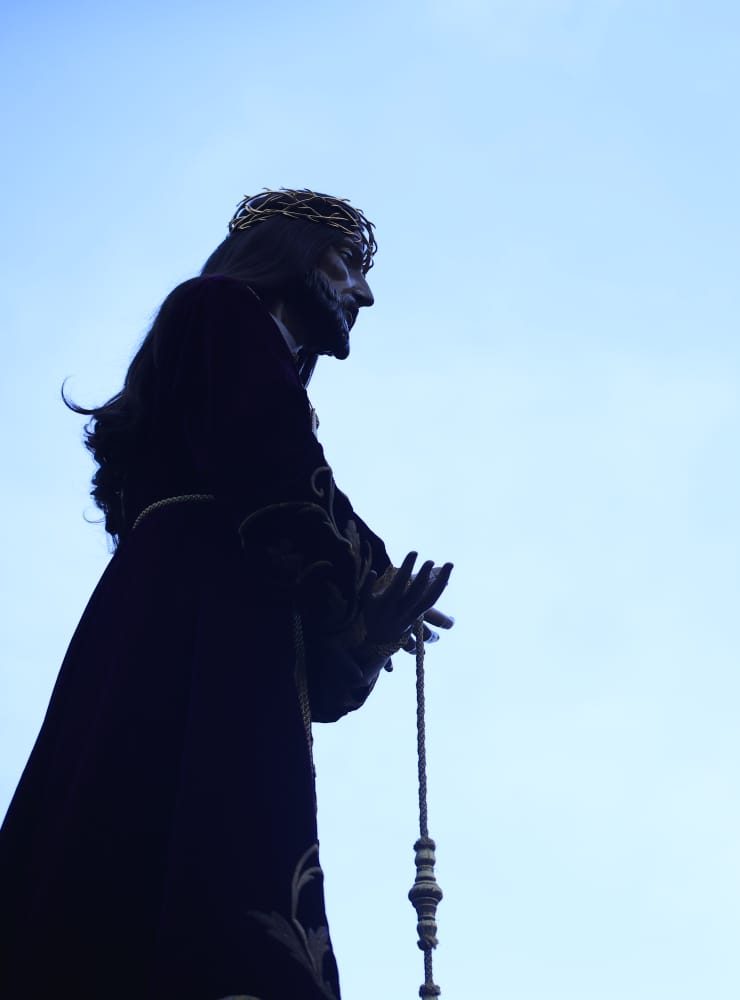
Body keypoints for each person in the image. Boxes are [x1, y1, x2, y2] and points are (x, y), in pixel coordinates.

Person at [0, 189, 452, 999]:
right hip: (188, 609)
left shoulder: (251, 396)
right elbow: (278, 477)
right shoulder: (220, 309)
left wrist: (367, 633)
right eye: (348, 266)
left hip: (220, 618)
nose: (364, 294)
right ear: (290, 255)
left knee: (216, 809)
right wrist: (368, 578)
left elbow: (302, 554)